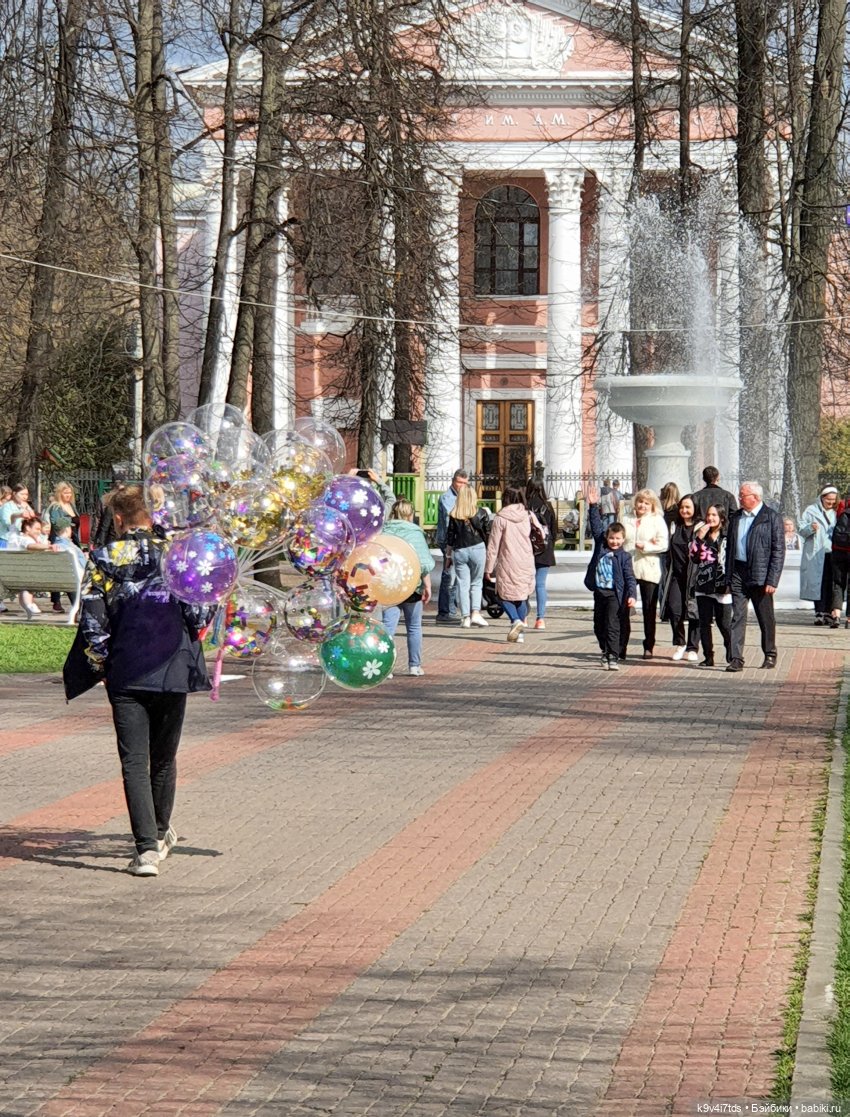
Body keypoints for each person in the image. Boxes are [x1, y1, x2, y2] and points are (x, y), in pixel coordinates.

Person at [63, 486, 212, 877]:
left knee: (133, 760)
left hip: (127, 670)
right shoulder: (179, 556)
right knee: (163, 757)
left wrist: (99, 663)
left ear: (117, 519)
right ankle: (160, 834)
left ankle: (146, 848)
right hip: (173, 667)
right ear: (153, 514)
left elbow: (93, 624)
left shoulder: (104, 557)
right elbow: (198, 617)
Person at [724, 480, 785, 672]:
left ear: (756, 497)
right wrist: (728, 575)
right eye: (740, 495)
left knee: (765, 617)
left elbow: (778, 550)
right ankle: (736, 658)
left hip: (760, 573)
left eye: (743, 495)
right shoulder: (735, 517)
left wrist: (772, 580)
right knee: (737, 616)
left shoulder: (771, 517)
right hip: (738, 572)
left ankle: (769, 654)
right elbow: (730, 548)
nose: (739, 498)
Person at [381, 498, 435, 676]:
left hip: (390, 585)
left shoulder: (384, 532)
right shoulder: (415, 533)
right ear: (410, 514)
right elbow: (424, 563)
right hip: (412, 586)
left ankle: (385, 667)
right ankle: (414, 666)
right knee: (414, 626)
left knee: (388, 627)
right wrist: (427, 586)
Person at [583, 496, 637, 670]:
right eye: (612, 538)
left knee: (613, 624)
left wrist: (632, 596)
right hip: (599, 592)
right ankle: (605, 651)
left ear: (623, 539)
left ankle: (613, 656)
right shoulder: (601, 547)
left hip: (615, 594)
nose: (614, 542)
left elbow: (630, 577)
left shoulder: (624, 557)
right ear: (607, 538)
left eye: (618, 539)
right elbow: (596, 525)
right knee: (599, 625)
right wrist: (593, 505)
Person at [485, 486, 542, 643]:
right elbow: (542, 534)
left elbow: (493, 545)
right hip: (526, 560)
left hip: (508, 561)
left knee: (503, 595)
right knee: (522, 596)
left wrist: (488, 568)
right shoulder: (528, 515)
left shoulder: (500, 518)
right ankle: (520, 633)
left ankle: (515, 620)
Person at [621, 488, 669, 659]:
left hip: (648, 568)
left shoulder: (657, 520)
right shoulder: (626, 518)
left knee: (649, 609)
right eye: (640, 501)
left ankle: (649, 645)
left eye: (646, 503)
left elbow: (664, 544)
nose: (642, 505)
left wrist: (647, 546)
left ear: (652, 505)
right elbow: (619, 538)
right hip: (628, 568)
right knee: (624, 608)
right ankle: (621, 646)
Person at [689, 505, 733, 667]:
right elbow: (693, 558)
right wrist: (699, 538)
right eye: (708, 515)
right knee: (704, 623)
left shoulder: (727, 536)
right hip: (703, 585)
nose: (710, 518)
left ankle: (731, 652)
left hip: (722, 586)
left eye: (714, 515)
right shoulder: (702, 535)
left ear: (721, 518)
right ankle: (708, 656)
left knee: (725, 624)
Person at [661, 493, 700, 661]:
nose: (684, 510)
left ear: (695, 508)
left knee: (694, 611)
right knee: (674, 608)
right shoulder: (674, 525)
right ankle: (680, 642)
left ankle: (693, 647)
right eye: (682, 507)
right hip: (675, 575)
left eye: (688, 507)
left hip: (694, 576)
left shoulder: (701, 527)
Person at [445, 485, 490, 629]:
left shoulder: (454, 514)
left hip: (460, 550)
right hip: (478, 548)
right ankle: (475, 613)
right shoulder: (481, 512)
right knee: (476, 583)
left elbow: (450, 537)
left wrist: (448, 555)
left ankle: (465, 617)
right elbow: (487, 534)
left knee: (462, 584)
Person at [6, 514, 62, 618]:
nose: (39, 531)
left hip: (11, 573)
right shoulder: (26, 539)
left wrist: (20, 514)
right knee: (29, 580)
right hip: (23, 574)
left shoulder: (14, 535)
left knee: (27, 579)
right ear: (27, 528)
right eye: (36, 529)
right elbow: (30, 546)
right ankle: (30, 605)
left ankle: (29, 607)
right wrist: (48, 546)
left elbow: (12, 518)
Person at [799, 485, 838, 627]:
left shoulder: (836, 512)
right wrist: (810, 528)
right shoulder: (811, 511)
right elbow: (801, 530)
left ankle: (829, 611)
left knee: (832, 583)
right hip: (816, 553)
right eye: (828, 499)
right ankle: (819, 612)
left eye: (833, 500)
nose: (831, 503)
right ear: (822, 498)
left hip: (833, 552)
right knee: (818, 583)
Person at [435, 469, 469, 624]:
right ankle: (445, 611)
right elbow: (452, 519)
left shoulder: (463, 496)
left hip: (458, 539)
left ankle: (451, 609)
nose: (462, 486)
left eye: (465, 483)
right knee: (449, 575)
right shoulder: (447, 498)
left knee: (455, 577)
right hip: (449, 540)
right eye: (460, 482)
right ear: (454, 481)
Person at [525, 477, 556, 629]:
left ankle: (522, 617)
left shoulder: (524, 506)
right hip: (544, 550)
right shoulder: (547, 506)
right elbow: (554, 531)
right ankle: (540, 619)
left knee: (524, 584)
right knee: (540, 585)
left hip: (527, 549)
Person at [45, 480, 80, 613]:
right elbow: (56, 524)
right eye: (65, 493)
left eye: (70, 492)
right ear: (60, 493)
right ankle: (58, 600)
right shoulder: (56, 507)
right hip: (60, 541)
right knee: (63, 571)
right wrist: (68, 525)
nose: (68, 495)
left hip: (73, 540)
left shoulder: (72, 505)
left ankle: (75, 601)